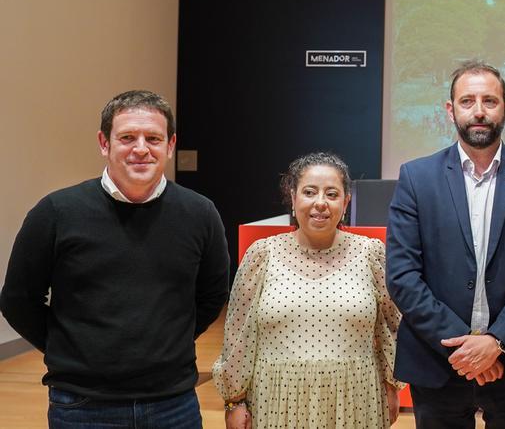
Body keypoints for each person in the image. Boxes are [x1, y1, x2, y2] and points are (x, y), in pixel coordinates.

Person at [0, 90, 229, 428]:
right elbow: (18, 300)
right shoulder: (57, 212)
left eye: (153, 138)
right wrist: (71, 348)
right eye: (127, 137)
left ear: (169, 145)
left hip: (173, 403)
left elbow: (212, 295)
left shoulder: (200, 213)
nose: (141, 148)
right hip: (82, 405)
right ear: (104, 143)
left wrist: (167, 341)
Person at [386, 60, 505, 428]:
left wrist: (495, 343)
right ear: (450, 110)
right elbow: (403, 276)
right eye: (468, 101)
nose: (479, 111)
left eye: (490, 101)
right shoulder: (416, 178)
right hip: (438, 361)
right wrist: (465, 347)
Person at [213, 152, 402, 428]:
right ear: (293, 197)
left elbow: (391, 325)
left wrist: (391, 384)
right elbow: (238, 335)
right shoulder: (262, 255)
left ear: (346, 201)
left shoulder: (370, 254)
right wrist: (235, 400)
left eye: (332, 194)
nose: (320, 203)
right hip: (277, 399)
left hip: (355, 397)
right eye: (310, 192)